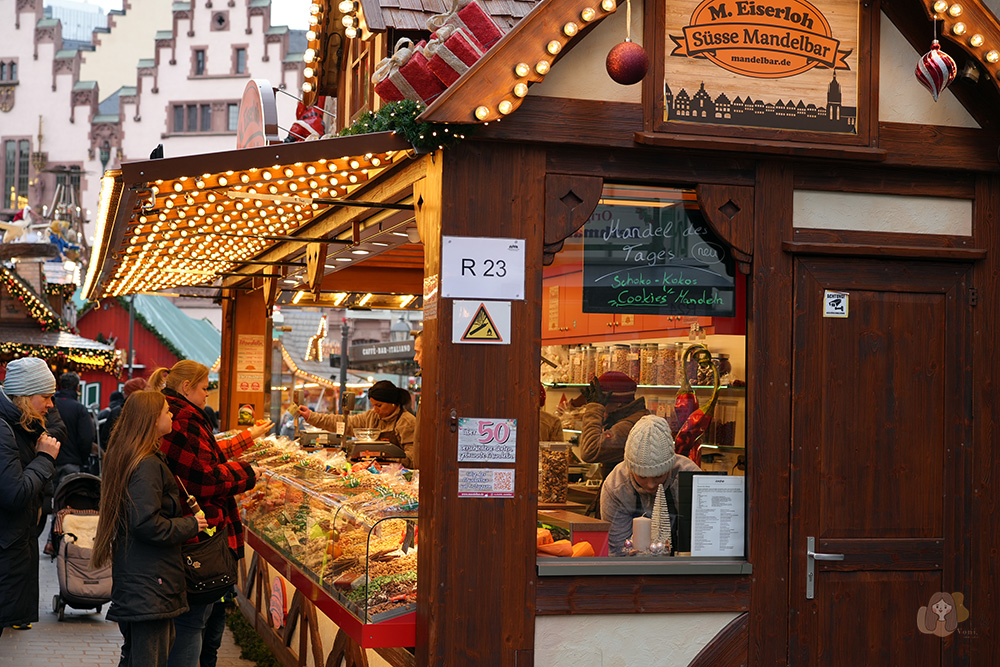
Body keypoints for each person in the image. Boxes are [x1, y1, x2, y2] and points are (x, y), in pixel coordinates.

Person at [147, 361, 271, 667]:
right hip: (199, 536)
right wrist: (249, 473)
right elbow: (205, 478)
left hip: (188, 532)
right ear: (187, 387)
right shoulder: (185, 417)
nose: (207, 395)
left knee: (191, 624)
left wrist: (248, 437)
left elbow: (209, 453)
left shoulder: (178, 412)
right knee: (192, 625)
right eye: (204, 388)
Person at [90, 391, 209, 666]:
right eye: (167, 411)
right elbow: (145, 523)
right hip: (149, 582)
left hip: (144, 577)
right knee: (148, 657)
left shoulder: (136, 456)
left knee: (140, 656)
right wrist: (192, 524)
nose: (172, 416)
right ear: (152, 419)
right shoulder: (146, 464)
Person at [0, 357, 62, 635]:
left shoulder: (17, 424)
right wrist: (45, 458)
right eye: (46, 396)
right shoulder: (4, 429)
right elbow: (15, 493)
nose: (50, 404)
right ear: (25, 396)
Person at [600, 415, 701, 556]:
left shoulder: (690, 479)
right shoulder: (616, 487)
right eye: (642, 477)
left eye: (659, 476)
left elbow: (704, 540)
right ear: (630, 470)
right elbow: (618, 551)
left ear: (669, 468)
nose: (651, 485)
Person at [298, 379, 417, 467]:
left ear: (392, 402)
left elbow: (413, 458)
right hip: (374, 472)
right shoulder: (371, 416)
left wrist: (388, 461)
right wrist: (311, 416)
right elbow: (344, 423)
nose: (375, 410)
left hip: (397, 478)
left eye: (379, 405)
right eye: (373, 405)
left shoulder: (407, 422)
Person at [578, 371, 650, 478]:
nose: (603, 408)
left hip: (623, 493)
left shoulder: (629, 426)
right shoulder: (626, 418)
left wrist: (595, 408)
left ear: (619, 403)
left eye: (603, 403)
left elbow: (589, 451)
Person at [52, 372, 96, 490]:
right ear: (77, 387)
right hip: (72, 461)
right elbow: (86, 437)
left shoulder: (50, 405)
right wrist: (84, 459)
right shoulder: (79, 408)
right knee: (68, 497)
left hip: (50, 459)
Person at [100, 378, 149, 451]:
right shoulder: (150, 411)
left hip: (120, 455)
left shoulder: (118, 412)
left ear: (128, 394)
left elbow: (106, 438)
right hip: (144, 454)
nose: (123, 394)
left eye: (125, 392)